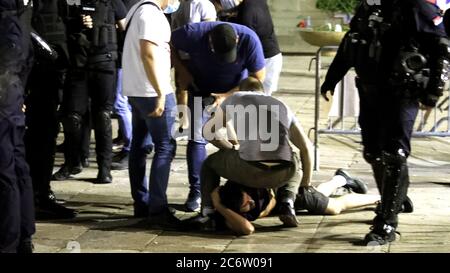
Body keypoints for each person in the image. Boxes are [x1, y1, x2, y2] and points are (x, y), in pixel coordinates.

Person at [320, 0, 450, 245]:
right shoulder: (368, 8)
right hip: (370, 90)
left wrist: (434, 91)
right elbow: (352, 42)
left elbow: (442, 48)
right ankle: (396, 198)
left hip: (402, 92)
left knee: (394, 154)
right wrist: (332, 78)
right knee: (372, 152)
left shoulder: (417, 8)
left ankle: (387, 223)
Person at [185, 76, 310, 235]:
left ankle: (208, 212)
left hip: (249, 167)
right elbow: (306, 148)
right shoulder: (282, 105)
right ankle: (287, 201)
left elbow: (208, 132)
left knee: (209, 163)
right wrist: (306, 185)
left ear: (240, 90)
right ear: (263, 92)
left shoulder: (235, 98)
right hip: (283, 173)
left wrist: (229, 149)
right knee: (295, 159)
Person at [171, 21, 266, 212]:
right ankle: (197, 192)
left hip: (236, 91)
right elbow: (167, 43)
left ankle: (245, 187)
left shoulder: (249, 39)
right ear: (210, 42)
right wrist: (182, 70)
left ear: (237, 40)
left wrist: (227, 95)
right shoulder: (191, 33)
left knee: (243, 139)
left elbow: (258, 77)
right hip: (201, 89)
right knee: (197, 138)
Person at [52, 0, 127, 184]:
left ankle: (104, 168)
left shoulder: (112, 2)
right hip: (78, 63)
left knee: (103, 116)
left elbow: (123, 26)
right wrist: (76, 23)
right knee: (73, 117)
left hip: (104, 62)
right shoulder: (71, 1)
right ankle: (73, 162)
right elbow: (58, 24)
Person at [122, 0, 179, 225]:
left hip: (137, 89)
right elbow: (148, 53)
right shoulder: (151, 14)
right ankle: (157, 209)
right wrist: (161, 91)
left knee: (139, 144)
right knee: (165, 146)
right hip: (151, 91)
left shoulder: (137, 9)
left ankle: (142, 201)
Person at [24, 0, 76, 219]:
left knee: (47, 135)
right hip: (36, 72)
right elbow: (21, 23)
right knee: (39, 136)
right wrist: (49, 52)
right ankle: (37, 197)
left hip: (52, 73)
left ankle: (40, 193)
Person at [211, 168, 380, 235]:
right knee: (317, 195)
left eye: (248, 199)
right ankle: (340, 179)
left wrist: (263, 211)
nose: (251, 202)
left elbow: (271, 200)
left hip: (286, 192)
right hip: (281, 204)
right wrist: (219, 206)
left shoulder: (244, 183)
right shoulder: (230, 211)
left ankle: (380, 200)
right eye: (246, 206)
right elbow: (247, 229)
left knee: (334, 207)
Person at [0, 0, 35, 253]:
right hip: (12, 98)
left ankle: (8, 243)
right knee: (18, 168)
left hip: (4, 102)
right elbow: (29, 58)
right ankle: (23, 236)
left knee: (5, 173)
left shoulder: (6, 21)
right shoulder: (20, 20)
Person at [213, 0, 283, 95]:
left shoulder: (247, 12)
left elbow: (245, 39)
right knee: (259, 99)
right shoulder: (254, 3)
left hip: (263, 59)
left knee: (255, 99)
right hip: (272, 56)